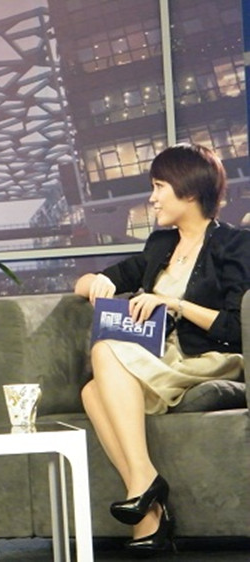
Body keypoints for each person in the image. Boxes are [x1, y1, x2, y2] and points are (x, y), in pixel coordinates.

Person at [74, 143, 250, 554]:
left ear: (188, 191)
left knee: (104, 351)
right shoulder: (159, 245)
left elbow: (236, 325)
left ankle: (145, 488)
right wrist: (98, 282)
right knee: (91, 390)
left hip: (209, 357)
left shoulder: (234, 245)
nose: (152, 198)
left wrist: (175, 304)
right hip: (160, 358)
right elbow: (87, 282)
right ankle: (149, 511)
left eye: (158, 186)